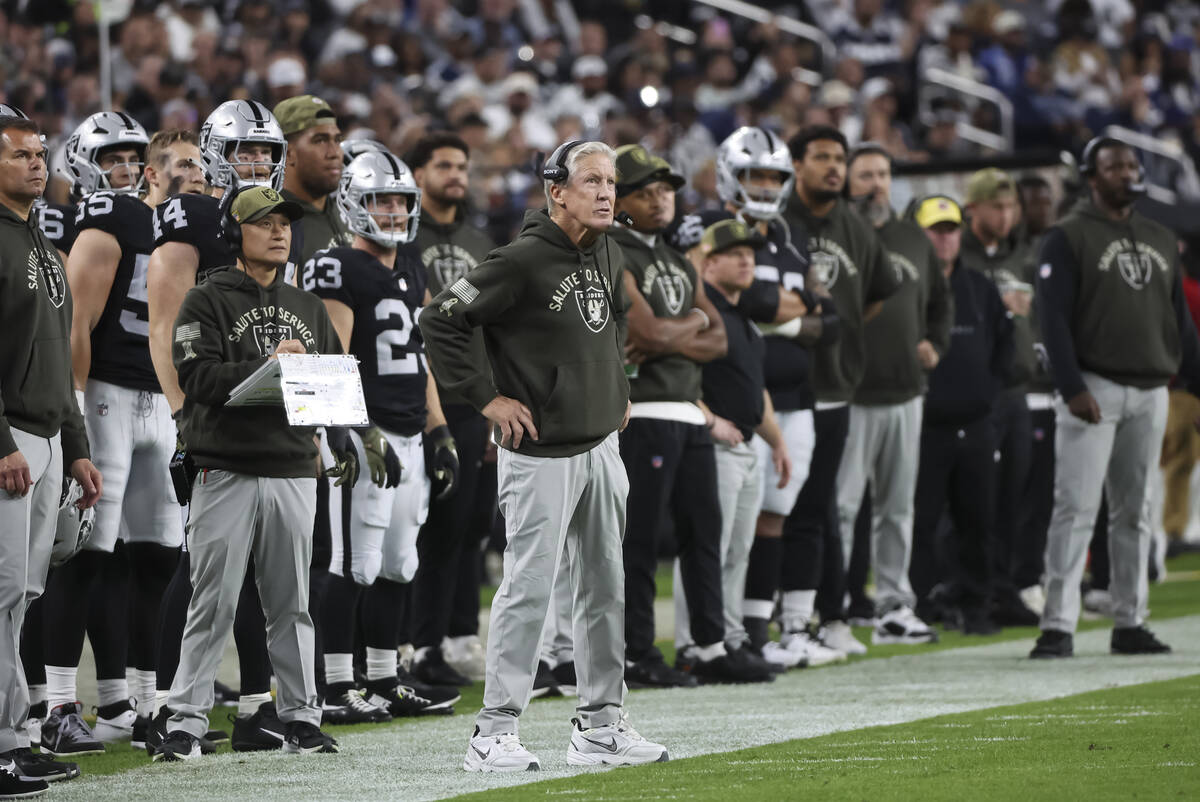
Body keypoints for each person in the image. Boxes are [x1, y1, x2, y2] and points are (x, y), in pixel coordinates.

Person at [421, 140, 668, 771]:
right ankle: (493, 732)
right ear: (557, 191)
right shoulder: (521, 259)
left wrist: (616, 385)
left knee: (605, 588)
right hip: (539, 452)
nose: (607, 193)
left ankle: (601, 726)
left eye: (610, 182)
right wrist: (486, 398)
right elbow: (441, 319)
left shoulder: (607, 246)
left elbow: (614, 319)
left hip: (602, 444)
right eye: (592, 181)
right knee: (528, 590)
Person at [154, 186, 346, 761]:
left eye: (284, 221)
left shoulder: (308, 305)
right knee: (211, 602)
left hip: (293, 468)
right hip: (226, 467)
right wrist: (269, 368)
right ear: (232, 233)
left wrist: (343, 434)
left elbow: (332, 380)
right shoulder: (204, 299)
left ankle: (301, 719)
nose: (279, 231)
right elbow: (197, 379)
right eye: (263, 222)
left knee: (293, 604)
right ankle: (185, 722)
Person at [144, 99, 288, 754]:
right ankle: (161, 706)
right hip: (207, 407)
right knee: (199, 562)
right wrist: (182, 416)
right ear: (214, 156)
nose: (255, 162)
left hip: (262, 411)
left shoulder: (276, 222)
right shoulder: (195, 215)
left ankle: (256, 705)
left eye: (265, 152)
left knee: (257, 564)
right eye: (242, 151)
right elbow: (164, 327)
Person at [1031, 138, 1200, 659]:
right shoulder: (1067, 236)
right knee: (1075, 508)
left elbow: (1180, 322)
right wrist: (1071, 386)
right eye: (1114, 166)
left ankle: (1130, 621)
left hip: (1152, 390)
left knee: (1136, 511)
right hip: (1094, 388)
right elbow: (1052, 319)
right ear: (1092, 177)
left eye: (1132, 165)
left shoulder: (1159, 235)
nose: (1127, 173)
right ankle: (1057, 625)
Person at [306, 150, 459, 721]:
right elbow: (330, 356)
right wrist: (354, 429)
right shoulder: (335, 266)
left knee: (400, 563)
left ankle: (384, 678)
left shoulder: (412, 267)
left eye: (400, 200)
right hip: (362, 432)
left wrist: (439, 429)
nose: (393, 211)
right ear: (353, 204)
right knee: (353, 562)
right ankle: (334, 686)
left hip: (409, 433)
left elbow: (420, 358)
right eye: (381, 200)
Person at [611, 145, 770, 686]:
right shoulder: (611, 251)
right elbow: (645, 332)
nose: (661, 201)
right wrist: (688, 326)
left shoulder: (678, 258)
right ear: (620, 200)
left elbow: (717, 337)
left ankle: (707, 646)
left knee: (704, 535)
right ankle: (636, 653)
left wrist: (672, 333)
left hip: (689, 412)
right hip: (642, 410)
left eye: (666, 191)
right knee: (639, 541)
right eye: (646, 192)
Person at [690, 126, 835, 671]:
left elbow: (829, 315)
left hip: (778, 401)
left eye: (775, 176)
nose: (766, 186)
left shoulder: (790, 241)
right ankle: (707, 640)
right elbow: (744, 299)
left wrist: (784, 315)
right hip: (722, 402)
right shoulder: (706, 229)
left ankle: (746, 633)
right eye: (755, 175)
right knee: (717, 533)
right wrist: (790, 308)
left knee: (770, 518)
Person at [35, 112, 156, 758]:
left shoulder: (157, 216)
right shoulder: (84, 218)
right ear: (83, 163)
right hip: (100, 392)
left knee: (146, 554)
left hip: (152, 396)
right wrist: (75, 408)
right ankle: (54, 703)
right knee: (82, 549)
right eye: (113, 158)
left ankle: (125, 700)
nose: (126, 169)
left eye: (134, 157)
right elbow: (75, 323)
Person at [0, 114, 101, 794]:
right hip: (10, 439)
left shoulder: (40, 237)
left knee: (22, 594)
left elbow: (60, 361)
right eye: (19, 156)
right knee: (3, 593)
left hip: (46, 437)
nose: (37, 164)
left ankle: (15, 737)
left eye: (40, 154)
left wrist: (78, 446)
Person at [782, 125, 900, 656]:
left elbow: (877, 295)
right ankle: (772, 619)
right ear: (796, 164)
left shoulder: (856, 226)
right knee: (780, 507)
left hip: (833, 385)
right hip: (782, 386)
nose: (834, 167)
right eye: (822, 157)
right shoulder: (777, 219)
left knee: (823, 506)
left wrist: (839, 329)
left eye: (839, 158)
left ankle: (828, 616)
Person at [836, 144, 952, 645]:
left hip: (906, 391)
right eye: (865, 175)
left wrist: (937, 344)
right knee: (842, 509)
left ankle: (893, 606)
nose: (876, 184)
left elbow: (942, 302)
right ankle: (833, 605)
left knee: (897, 508)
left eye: (882, 174)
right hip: (850, 393)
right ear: (848, 182)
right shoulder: (837, 234)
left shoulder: (912, 237)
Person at [676, 218, 794, 681]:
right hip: (712, 446)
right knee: (707, 549)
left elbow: (752, 388)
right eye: (735, 254)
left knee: (736, 551)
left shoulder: (740, 315)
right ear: (708, 262)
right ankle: (693, 644)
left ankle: (726, 638)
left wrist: (777, 441)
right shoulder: (698, 311)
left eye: (750, 254)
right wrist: (709, 419)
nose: (748, 261)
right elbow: (675, 375)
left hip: (746, 445)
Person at [407, 132, 497, 688]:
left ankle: (456, 637)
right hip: (418, 395)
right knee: (429, 527)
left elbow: (492, 324)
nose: (456, 175)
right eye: (444, 165)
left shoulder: (479, 240)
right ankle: (419, 644)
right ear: (418, 174)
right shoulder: (401, 233)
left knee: (470, 525)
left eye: (462, 166)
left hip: (471, 398)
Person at [910, 195, 1012, 634]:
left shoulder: (980, 287)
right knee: (920, 522)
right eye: (936, 230)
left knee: (978, 521)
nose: (945, 239)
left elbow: (1005, 346)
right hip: (924, 425)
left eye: (951, 230)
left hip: (974, 424)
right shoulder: (906, 286)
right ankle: (918, 606)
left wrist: (987, 397)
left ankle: (976, 605)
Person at [961, 168, 1040, 626]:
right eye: (997, 207)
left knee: (1013, 495)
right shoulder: (958, 256)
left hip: (1016, 392)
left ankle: (1004, 589)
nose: (1006, 215)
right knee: (971, 498)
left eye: (1011, 207)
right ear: (973, 208)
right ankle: (966, 590)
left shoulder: (1022, 256)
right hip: (974, 394)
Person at [1014, 174, 1059, 615]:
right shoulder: (1010, 254)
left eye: (1047, 201)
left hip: (1051, 390)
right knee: (1017, 494)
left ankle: (1030, 576)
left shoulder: (1060, 247)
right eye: (1033, 201)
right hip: (1016, 389)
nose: (1041, 208)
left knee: (1043, 495)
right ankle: (1017, 578)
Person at [273, 95, 352, 267]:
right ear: (288, 153)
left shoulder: (349, 214)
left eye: (337, 140)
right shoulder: (273, 226)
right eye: (320, 140)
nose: (334, 153)